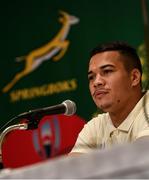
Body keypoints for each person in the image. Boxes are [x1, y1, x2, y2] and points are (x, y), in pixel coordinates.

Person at [70, 41, 149, 155]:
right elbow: (73, 170)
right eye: (91, 77)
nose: (96, 82)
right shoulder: (95, 127)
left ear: (134, 77)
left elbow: (141, 160)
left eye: (107, 71)